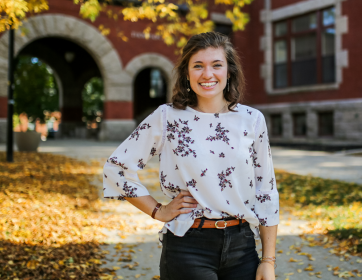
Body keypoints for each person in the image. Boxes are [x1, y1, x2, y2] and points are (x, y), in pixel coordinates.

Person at [103, 32, 279, 280]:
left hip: (242, 246)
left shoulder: (252, 120)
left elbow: (266, 189)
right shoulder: (167, 117)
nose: (208, 74)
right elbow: (116, 169)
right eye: (198, 66)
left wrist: (268, 260)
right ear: (187, 73)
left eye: (216, 65)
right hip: (188, 246)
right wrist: (158, 211)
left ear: (229, 72)